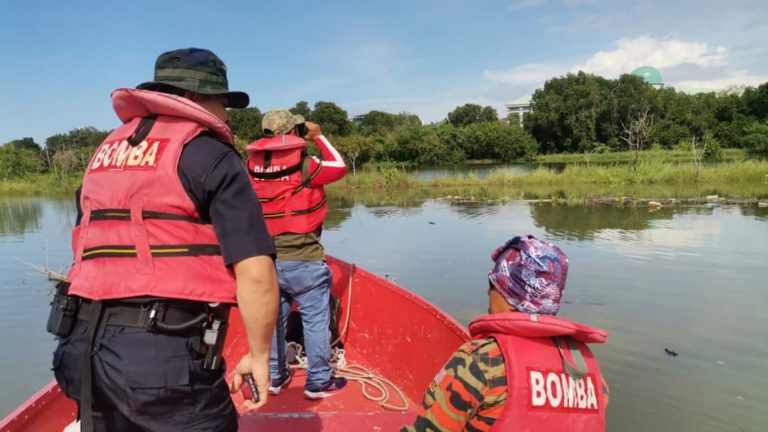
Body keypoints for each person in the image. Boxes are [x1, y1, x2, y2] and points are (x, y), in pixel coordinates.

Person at [50, 48, 279, 432]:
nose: (226, 115)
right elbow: (256, 273)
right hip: (160, 360)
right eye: (223, 103)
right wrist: (259, 354)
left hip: (80, 347)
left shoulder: (104, 154)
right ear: (194, 98)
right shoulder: (211, 155)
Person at [402, 235, 609, 431]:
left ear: (510, 294)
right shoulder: (588, 369)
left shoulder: (482, 360)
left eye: (493, 285)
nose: (488, 293)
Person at [245, 109, 348, 399]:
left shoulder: (249, 167)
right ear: (294, 133)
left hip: (266, 260)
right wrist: (318, 137)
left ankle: (275, 377)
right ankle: (318, 381)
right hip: (304, 259)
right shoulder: (305, 165)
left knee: (273, 319)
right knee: (315, 319)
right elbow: (338, 167)